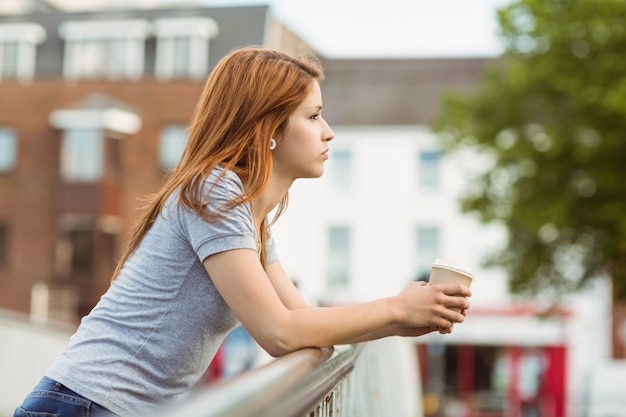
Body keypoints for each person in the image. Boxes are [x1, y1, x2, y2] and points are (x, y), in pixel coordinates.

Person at [14, 46, 471, 417]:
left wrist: (401, 319)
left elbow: (309, 327)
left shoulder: (252, 217)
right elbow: (279, 333)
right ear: (269, 128)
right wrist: (395, 307)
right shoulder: (214, 190)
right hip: (82, 404)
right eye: (313, 117)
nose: (329, 132)